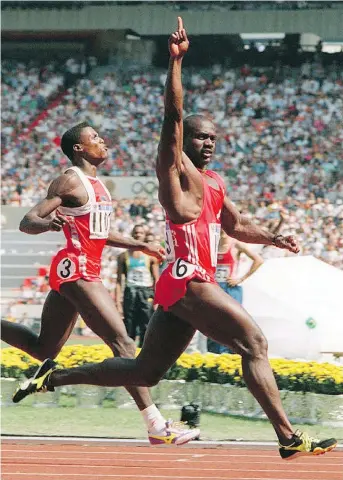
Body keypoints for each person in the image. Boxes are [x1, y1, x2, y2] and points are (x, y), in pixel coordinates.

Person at [13, 18, 337, 460]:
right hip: (187, 277)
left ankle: (53, 378)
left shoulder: (215, 182)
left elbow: (237, 226)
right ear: (185, 142)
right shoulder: (172, 172)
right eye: (201, 137)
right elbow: (174, 116)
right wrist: (176, 62)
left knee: (146, 370)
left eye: (214, 138)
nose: (208, 143)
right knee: (254, 344)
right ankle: (288, 439)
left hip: (180, 286)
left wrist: (275, 237)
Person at [4, 121, 200, 446]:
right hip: (77, 267)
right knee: (123, 344)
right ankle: (155, 425)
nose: (102, 140)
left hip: (82, 269)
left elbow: (100, 232)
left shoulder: (99, 185)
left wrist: (139, 245)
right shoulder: (70, 180)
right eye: (94, 137)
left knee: (44, 348)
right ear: (79, 148)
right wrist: (48, 223)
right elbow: (28, 221)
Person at [208, 229, 264, 354]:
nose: (222, 230)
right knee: (212, 321)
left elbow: (258, 260)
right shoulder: (212, 244)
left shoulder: (235, 244)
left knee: (231, 321)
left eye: (224, 227)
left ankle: (232, 352)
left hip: (230, 288)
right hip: (214, 288)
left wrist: (240, 278)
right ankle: (214, 353)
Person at [116, 224, 159, 347]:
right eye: (136, 232)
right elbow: (119, 280)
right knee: (129, 325)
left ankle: (144, 353)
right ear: (132, 234)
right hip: (130, 292)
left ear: (144, 236)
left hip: (146, 292)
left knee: (146, 324)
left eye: (140, 233)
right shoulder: (123, 256)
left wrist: (157, 299)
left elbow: (156, 279)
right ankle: (129, 354)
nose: (138, 235)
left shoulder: (151, 257)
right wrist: (118, 301)